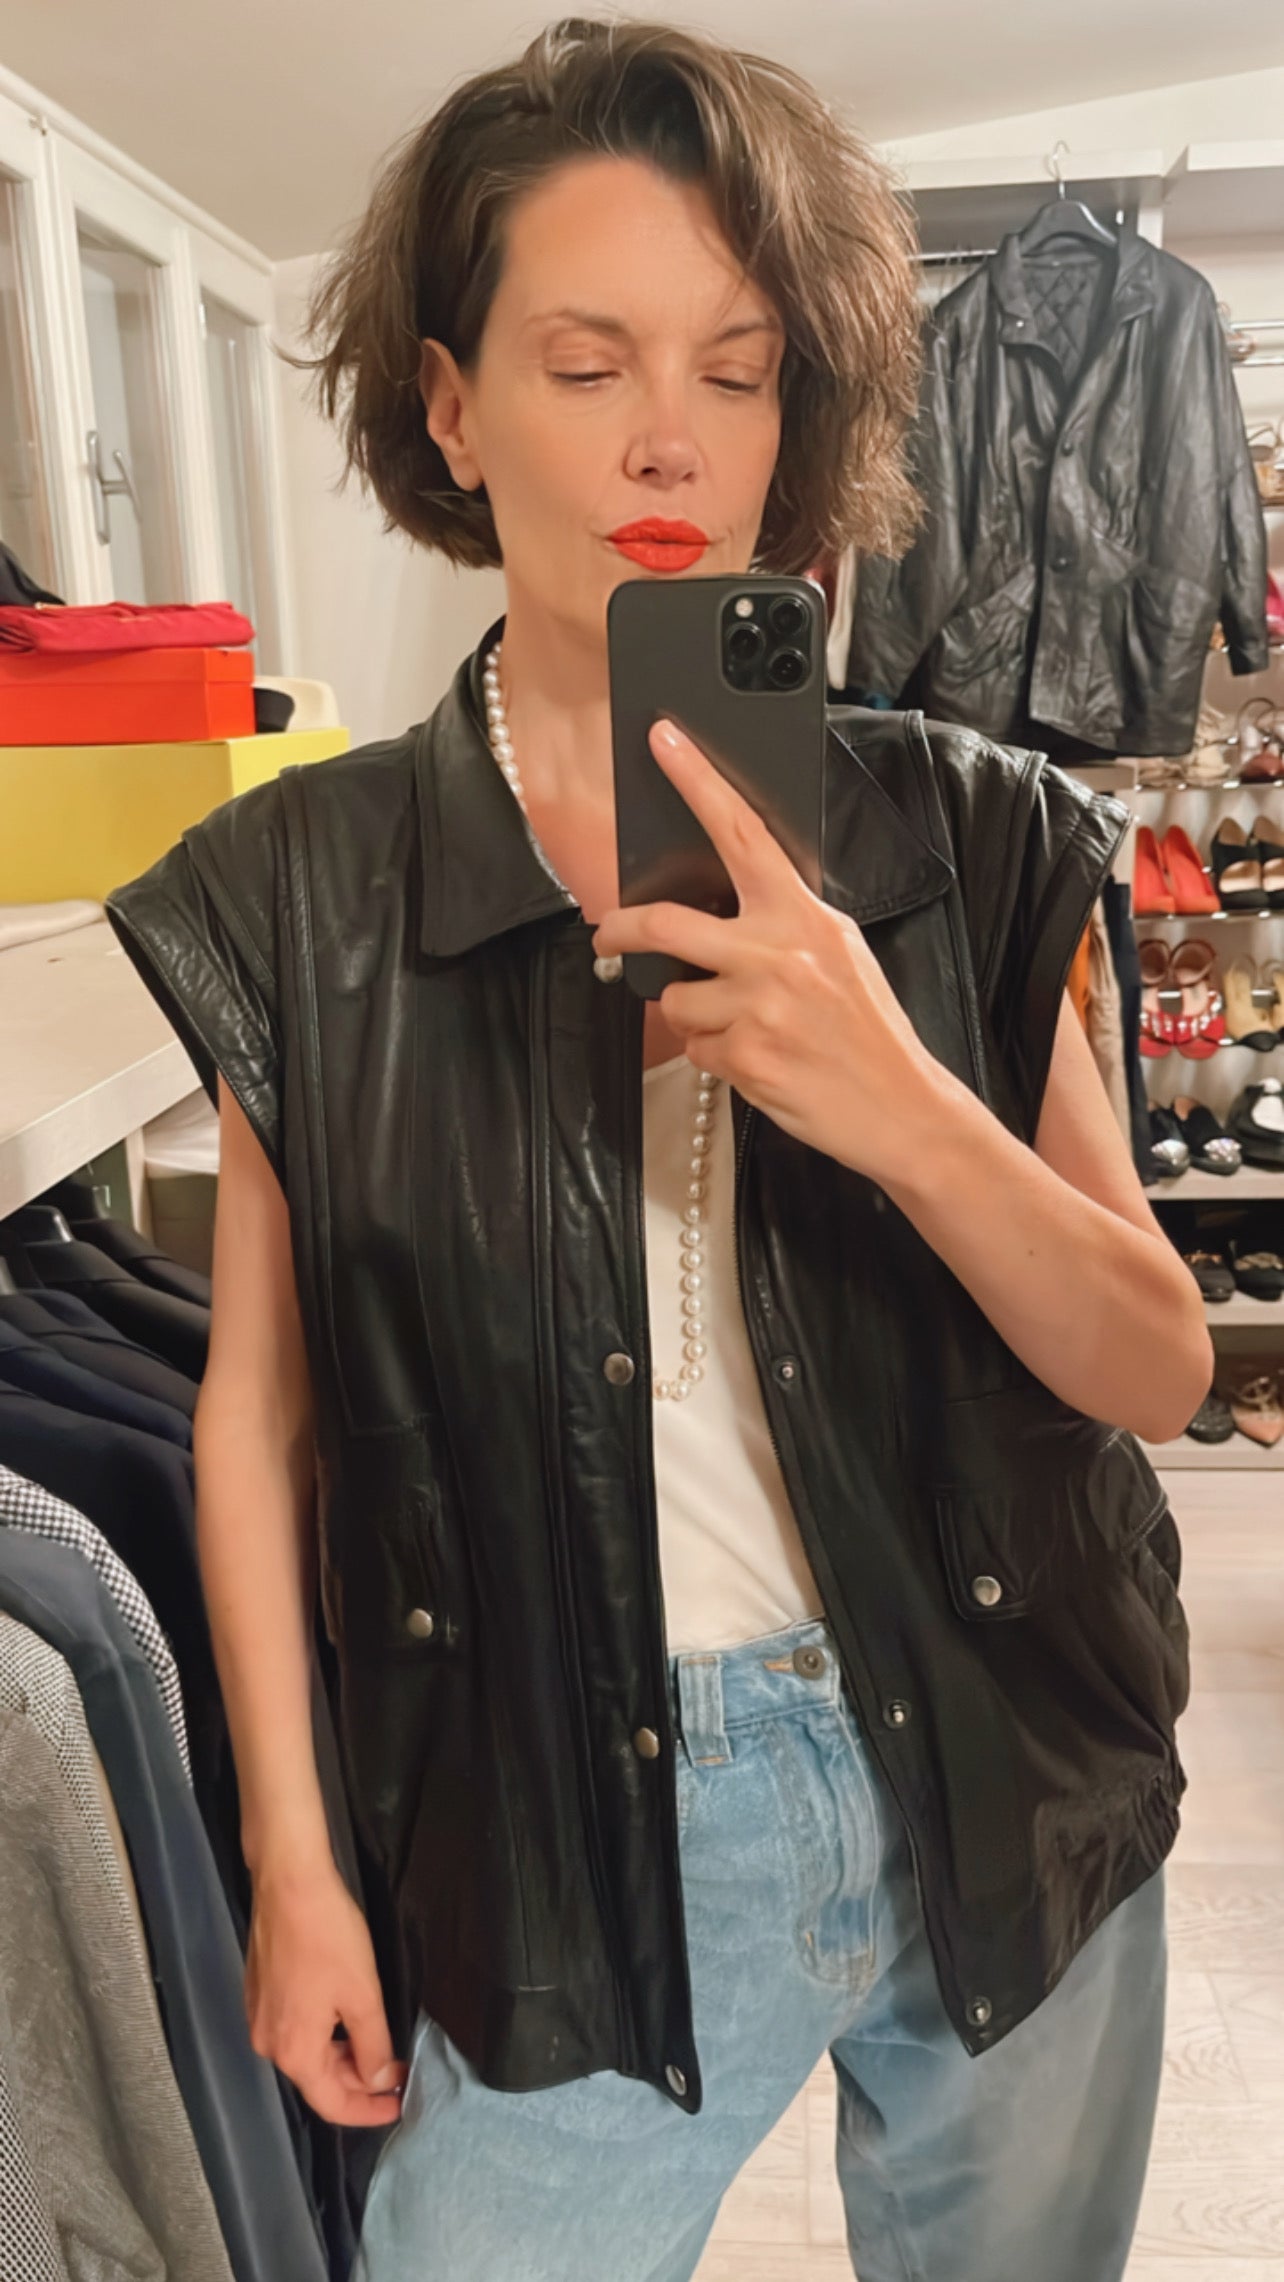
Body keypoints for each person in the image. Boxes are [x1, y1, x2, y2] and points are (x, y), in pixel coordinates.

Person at [105, 19, 1211, 2281]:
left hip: (1003, 1752)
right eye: (586, 361)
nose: (669, 440)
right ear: (449, 404)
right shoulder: (304, 890)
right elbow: (259, 1415)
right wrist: (295, 1860)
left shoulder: (976, 835)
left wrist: (900, 1098)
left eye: (736, 367)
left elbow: (1157, 1364)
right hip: (554, 1817)